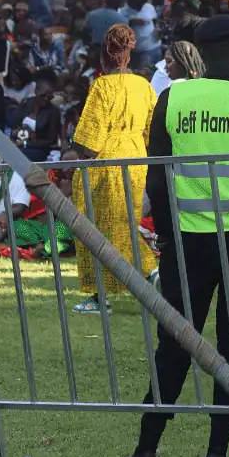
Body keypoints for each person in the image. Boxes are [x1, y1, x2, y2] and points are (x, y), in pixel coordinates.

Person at [128, 14, 229, 457]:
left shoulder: (172, 99)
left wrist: (164, 237)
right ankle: (217, 451)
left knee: (175, 343)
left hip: (187, 242)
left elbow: (157, 179)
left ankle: (147, 447)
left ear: (198, 53)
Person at [67, 23, 156, 313]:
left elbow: (90, 143)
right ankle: (147, 276)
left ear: (104, 54)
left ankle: (103, 294)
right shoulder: (144, 85)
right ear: (129, 54)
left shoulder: (102, 86)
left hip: (105, 164)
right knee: (123, 225)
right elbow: (151, 131)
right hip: (136, 161)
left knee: (93, 228)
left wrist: (76, 151)